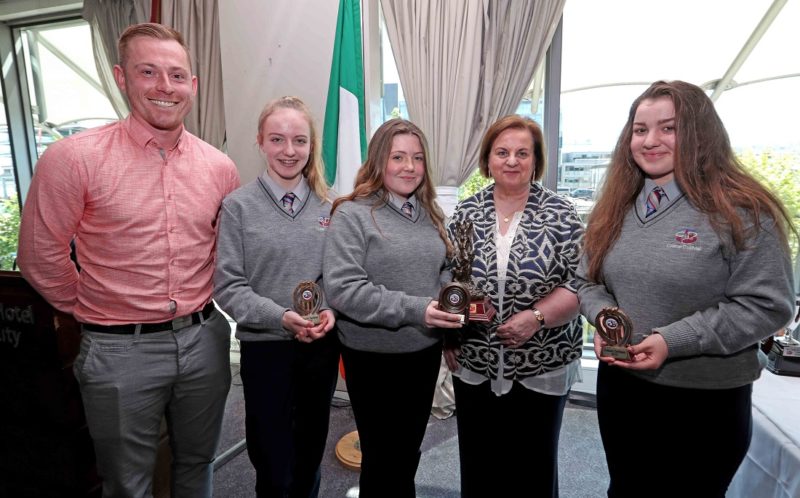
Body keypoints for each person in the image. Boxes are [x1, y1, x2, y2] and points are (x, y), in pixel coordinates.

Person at [17, 23, 240, 497]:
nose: (165, 87)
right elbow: (39, 256)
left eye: (177, 75)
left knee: (196, 465)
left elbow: (225, 254)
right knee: (126, 483)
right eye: (148, 72)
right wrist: (96, 309)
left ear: (193, 86)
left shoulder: (219, 167)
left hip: (205, 342)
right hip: (118, 353)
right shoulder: (72, 159)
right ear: (121, 78)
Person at [577, 80, 796, 498]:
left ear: (700, 134)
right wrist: (605, 320)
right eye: (640, 130)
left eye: (669, 128)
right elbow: (585, 281)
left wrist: (671, 340)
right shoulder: (616, 207)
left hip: (703, 400)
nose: (651, 140)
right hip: (623, 389)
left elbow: (767, 306)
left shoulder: (744, 210)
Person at [444, 115, 584, 498]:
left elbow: (581, 282)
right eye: (502, 152)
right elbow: (452, 280)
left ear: (536, 160)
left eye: (523, 153)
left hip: (542, 359)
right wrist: (451, 333)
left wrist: (537, 318)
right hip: (476, 358)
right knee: (478, 462)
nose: (511, 161)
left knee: (533, 467)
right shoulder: (466, 212)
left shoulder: (561, 214)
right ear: (487, 159)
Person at [322, 118, 463, 498]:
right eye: (398, 157)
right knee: (382, 460)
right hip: (373, 358)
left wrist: (454, 299)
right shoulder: (352, 214)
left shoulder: (430, 214)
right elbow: (344, 290)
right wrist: (418, 309)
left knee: (407, 455)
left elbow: (443, 271)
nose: (409, 166)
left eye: (417, 158)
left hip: (422, 352)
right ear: (378, 161)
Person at [214, 96, 338, 498]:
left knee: (309, 456)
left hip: (319, 346)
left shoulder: (332, 206)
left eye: (299, 141)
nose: (289, 151)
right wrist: (283, 317)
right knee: (272, 462)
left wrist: (331, 311)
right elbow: (228, 285)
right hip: (265, 349)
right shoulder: (238, 207)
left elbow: (342, 278)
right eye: (278, 139)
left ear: (311, 145)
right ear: (261, 142)